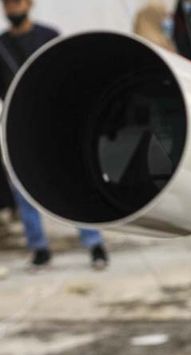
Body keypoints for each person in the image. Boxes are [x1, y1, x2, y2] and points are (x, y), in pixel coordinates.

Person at [0, 0, 108, 269]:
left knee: (72, 183)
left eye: (16, 2)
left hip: (54, 123)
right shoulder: (1, 45)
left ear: (29, 4)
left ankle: (94, 244)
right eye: (7, 4)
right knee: (23, 188)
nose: (12, 9)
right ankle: (38, 248)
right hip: (17, 125)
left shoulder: (49, 37)